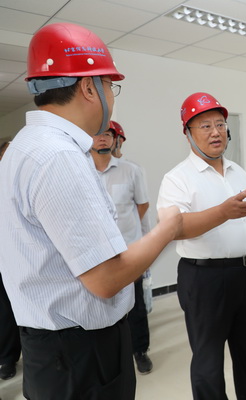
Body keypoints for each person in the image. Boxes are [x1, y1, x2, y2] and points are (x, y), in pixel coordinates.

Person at [0, 23, 181, 399]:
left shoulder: (24, 146)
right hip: (80, 355)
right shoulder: (59, 157)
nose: (111, 97)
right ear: (88, 87)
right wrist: (169, 228)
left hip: (53, 352)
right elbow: (106, 278)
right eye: (110, 86)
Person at [157, 92, 246, 400]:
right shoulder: (177, 178)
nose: (215, 132)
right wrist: (222, 213)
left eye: (220, 124)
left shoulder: (239, 171)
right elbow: (174, 229)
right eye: (205, 126)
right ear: (188, 133)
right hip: (205, 279)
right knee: (208, 357)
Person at [91, 121, 154, 374]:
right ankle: (109, 355)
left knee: (136, 305)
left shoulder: (130, 170)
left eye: (107, 134)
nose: (102, 138)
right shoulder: (82, 171)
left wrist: (129, 234)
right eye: (97, 134)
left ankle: (140, 351)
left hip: (128, 250)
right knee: (102, 304)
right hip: (97, 253)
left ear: (114, 139)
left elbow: (142, 205)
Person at [0, 140, 21, 381]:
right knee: (5, 311)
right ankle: (7, 358)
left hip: (20, 258)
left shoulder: (23, 180)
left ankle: (12, 355)